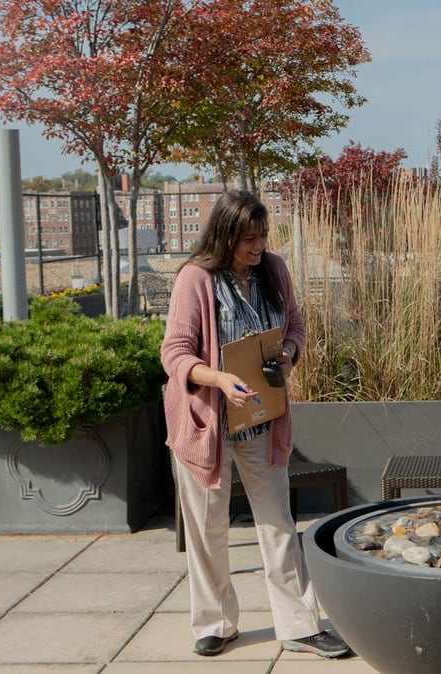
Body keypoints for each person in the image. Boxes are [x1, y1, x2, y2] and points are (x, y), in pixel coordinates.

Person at [161, 189, 350, 659]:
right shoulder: (195, 278)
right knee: (207, 529)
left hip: (262, 417)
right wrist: (220, 380)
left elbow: (295, 326)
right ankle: (215, 624)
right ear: (223, 235)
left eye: (263, 235)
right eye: (248, 238)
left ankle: (300, 626)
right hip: (206, 421)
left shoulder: (274, 269)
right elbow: (175, 353)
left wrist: (288, 355)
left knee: (279, 523)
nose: (257, 246)